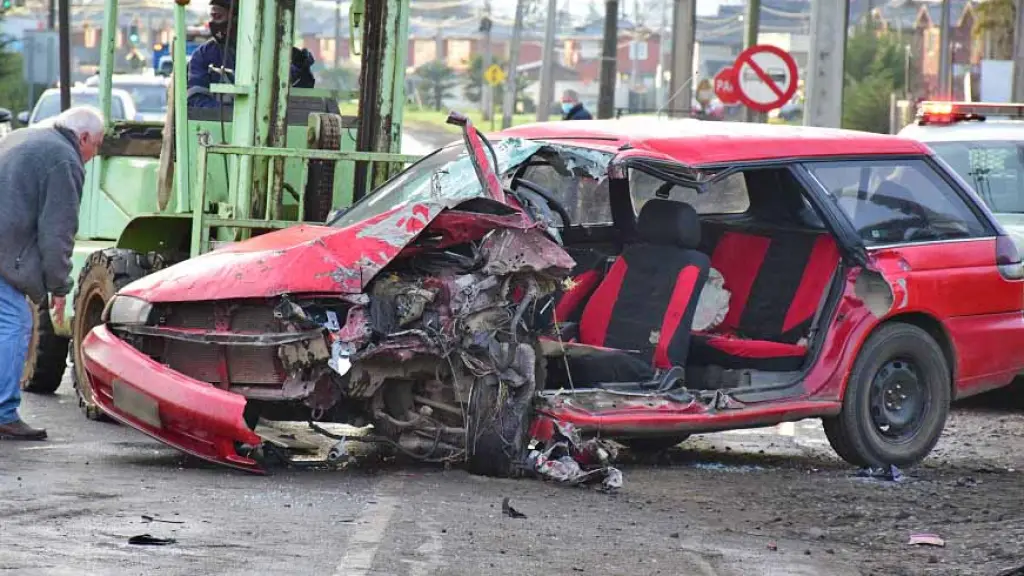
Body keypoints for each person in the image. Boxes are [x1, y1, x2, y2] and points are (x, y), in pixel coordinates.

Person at [0, 107, 105, 441]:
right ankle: (3, 413)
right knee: (16, 324)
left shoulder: (25, 137)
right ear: (84, 137)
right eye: (97, 146)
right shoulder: (64, 160)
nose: (94, 155)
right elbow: (57, 231)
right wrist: (60, 286)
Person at [188, 0, 316, 108]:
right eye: (212, 16)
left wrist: (299, 67)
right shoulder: (203, 55)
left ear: (237, 18)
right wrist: (235, 116)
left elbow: (302, 98)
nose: (213, 23)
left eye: (218, 17)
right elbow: (195, 99)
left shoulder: (274, 53)